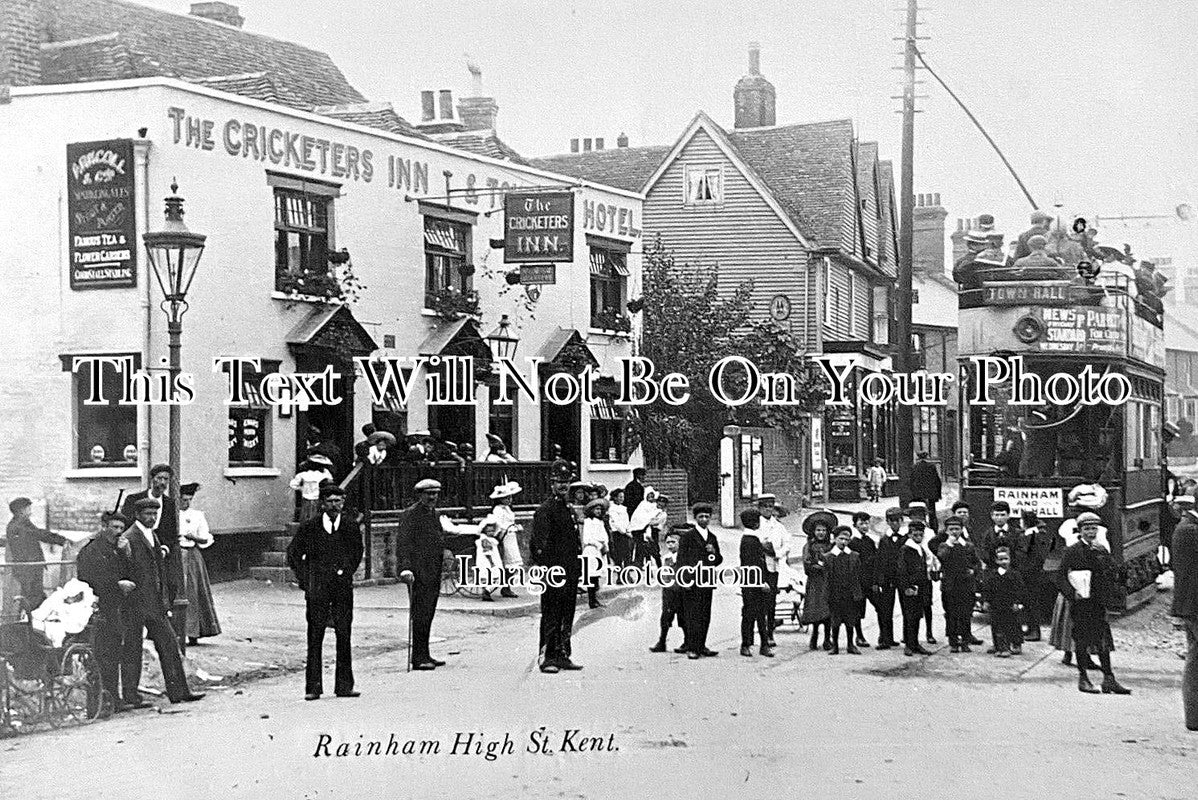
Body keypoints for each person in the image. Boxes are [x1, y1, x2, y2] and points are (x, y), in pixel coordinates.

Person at [122, 497, 204, 705]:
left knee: (169, 644)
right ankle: (131, 696)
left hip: (155, 604)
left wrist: (165, 599)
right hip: (135, 603)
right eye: (147, 514)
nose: (152, 518)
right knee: (132, 649)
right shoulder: (130, 537)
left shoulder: (152, 536)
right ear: (138, 515)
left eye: (154, 514)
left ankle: (179, 692)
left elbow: (159, 571)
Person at [286, 484, 362, 700]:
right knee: (315, 636)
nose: (334, 505)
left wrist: (346, 572)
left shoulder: (350, 526)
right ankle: (313, 687)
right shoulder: (310, 527)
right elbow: (293, 553)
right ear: (322, 503)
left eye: (338, 501)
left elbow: (357, 553)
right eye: (329, 501)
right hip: (317, 588)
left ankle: (344, 686)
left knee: (344, 634)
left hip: (342, 589)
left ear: (343, 502)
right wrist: (305, 580)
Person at [1057, 512, 1131, 694]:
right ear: (1080, 531)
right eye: (1087, 529)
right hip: (1081, 603)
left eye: (1093, 528)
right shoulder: (1073, 551)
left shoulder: (1101, 549)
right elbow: (1060, 577)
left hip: (1098, 601)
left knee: (1103, 639)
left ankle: (1109, 678)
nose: (1091, 532)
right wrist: (1072, 593)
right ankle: (1083, 678)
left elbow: (1112, 571)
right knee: (1081, 641)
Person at [75, 510, 136, 714]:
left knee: (114, 653)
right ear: (103, 527)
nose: (118, 532)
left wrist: (126, 554)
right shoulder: (92, 550)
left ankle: (113, 699)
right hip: (100, 609)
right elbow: (87, 579)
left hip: (116, 607)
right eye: (114, 527)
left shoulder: (116, 548)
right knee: (102, 657)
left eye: (121, 528)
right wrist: (116, 584)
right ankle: (98, 705)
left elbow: (128, 571)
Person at [531, 468, 583, 674]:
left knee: (567, 613)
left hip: (570, 571)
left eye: (566, 482)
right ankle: (547, 657)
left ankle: (562, 655)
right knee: (552, 614)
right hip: (554, 572)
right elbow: (538, 546)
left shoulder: (568, 508)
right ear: (551, 483)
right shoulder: (546, 510)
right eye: (559, 482)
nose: (563, 486)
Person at [395, 479, 447, 672]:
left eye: (435, 494)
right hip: (417, 572)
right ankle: (418, 657)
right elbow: (403, 543)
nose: (432, 497)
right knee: (420, 613)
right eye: (428, 494)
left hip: (433, 570)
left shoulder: (435, 514)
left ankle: (425, 653)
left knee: (429, 613)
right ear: (420, 495)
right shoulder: (410, 514)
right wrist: (405, 568)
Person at [176, 483, 220, 645]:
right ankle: (175, 632)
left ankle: (194, 633)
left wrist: (192, 537)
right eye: (183, 499)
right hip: (176, 554)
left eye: (189, 500)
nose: (186, 503)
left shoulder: (197, 515)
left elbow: (206, 538)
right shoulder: (171, 514)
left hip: (192, 555)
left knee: (194, 592)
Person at [4, 497, 68, 609]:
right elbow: (39, 534)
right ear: (21, 511)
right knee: (31, 597)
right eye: (28, 508)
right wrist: (62, 540)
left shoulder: (23, 523)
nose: (31, 511)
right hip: (27, 570)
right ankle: (29, 622)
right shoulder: (17, 526)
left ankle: (33, 618)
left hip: (32, 568)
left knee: (35, 596)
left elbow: (38, 533)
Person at [678, 503, 722, 660]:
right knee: (692, 615)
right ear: (695, 518)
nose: (704, 519)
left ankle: (702, 645)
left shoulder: (712, 537)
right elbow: (681, 560)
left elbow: (718, 560)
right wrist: (685, 580)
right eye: (701, 516)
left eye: (707, 516)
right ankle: (692, 647)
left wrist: (713, 552)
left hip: (707, 581)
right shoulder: (688, 537)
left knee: (705, 614)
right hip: (692, 581)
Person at [1170, 491, 1198, 730]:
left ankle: (1194, 717)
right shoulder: (1189, 530)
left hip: (1191, 606)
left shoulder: (1188, 526)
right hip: (1194, 606)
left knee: (1195, 658)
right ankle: (1193, 717)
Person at [937, 515, 981, 652]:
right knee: (951, 613)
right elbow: (941, 557)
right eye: (951, 529)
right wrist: (949, 544)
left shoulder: (968, 546)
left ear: (962, 530)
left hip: (966, 585)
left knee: (965, 613)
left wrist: (973, 571)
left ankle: (965, 641)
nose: (954, 532)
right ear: (946, 531)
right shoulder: (944, 546)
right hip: (950, 586)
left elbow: (976, 563)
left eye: (957, 529)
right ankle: (953, 641)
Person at [738, 509, 773, 658]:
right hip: (753, 583)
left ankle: (753, 644)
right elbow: (753, 565)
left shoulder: (750, 539)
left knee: (753, 614)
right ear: (755, 523)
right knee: (754, 614)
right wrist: (761, 582)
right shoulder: (750, 541)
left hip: (749, 582)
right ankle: (752, 644)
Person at [981, 546, 1027, 657]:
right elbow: (987, 589)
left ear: (1010, 559)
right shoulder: (992, 575)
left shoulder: (1014, 575)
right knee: (997, 625)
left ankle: (1014, 644)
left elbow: (1020, 590)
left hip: (1010, 605)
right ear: (996, 561)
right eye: (1001, 559)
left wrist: (1018, 602)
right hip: (996, 605)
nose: (1004, 561)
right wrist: (986, 601)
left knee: (1012, 624)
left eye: (1006, 559)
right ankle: (998, 646)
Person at [896, 520, 934, 656]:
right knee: (909, 615)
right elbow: (902, 570)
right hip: (910, 588)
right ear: (910, 535)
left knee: (917, 615)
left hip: (920, 587)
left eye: (921, 535)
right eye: (915, 535)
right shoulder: (905, 549)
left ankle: (915, 643)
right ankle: (909, 644)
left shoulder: (920, 549)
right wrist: (907, 586)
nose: (918, 537)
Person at [824, 526, 863, 655]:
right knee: (835, 621)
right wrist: (826, 595)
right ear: (834, 539)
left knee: (850, 620)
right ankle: (835, 645)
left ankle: (850, 644)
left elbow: (858, 576)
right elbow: (826, 578)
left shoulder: (854, 556)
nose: (843, 542)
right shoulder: (828, 557)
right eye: (840, 539)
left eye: (846, 539)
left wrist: (857, 593)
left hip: (849, 593)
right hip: (835, 593)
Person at [800, 510, 836, 650]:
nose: (821, 533)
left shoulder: (831, 547)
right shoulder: (809, 546)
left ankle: (827, 638)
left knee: (828, 610)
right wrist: (817, 567)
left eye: (823, 530)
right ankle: (814, 636)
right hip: (815, 582)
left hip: (828, 582)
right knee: (816, 608)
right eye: (818, 530)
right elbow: (807, 563)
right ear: (813, 532)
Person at [1016, 509, 1053, 642]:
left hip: (1031, 575)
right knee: (1028, 603)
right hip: (1029, 574)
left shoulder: (1034, 536)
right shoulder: (1031, 534)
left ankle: (1035, 631)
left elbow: (1035, 557)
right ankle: (1031, 628)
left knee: (1032, 603)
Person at [757, 494, 788, 646]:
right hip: (760, 567)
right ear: (760, 508)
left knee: (771, 602)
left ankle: (770, 633)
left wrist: (777, 553)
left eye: (770, 506)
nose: (768, 510)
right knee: (759, 602)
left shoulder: (779, 526)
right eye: (765, 507)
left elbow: (787, 545)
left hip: (774, 566)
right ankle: (760, 634)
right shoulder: (756, 525)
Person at [874, 507, 907, 649]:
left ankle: (909, 638)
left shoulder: (906, 539)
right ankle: (886, 639)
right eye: (891, 521)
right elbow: (879, 561)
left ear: (902, 521)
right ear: (887, 522)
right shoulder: (884, 540)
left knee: (907, 609)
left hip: (903, 578)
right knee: (886, 609)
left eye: (897, 521)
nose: (894, 524)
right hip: (888, 579)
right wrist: (878, 580)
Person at [650, 528, 686, 653]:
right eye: (668, 542)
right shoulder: (666, 558)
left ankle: (687, 641)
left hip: (681, 592)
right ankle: (662, 641)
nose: (670, 545)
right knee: (666, 617)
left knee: (683, 618)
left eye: (673, 542)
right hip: (669, 592)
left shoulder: (684, 558)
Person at [489, 481, 523, 598]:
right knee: (508, 562)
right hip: (504, 536)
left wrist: (515, 526)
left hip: (511, 537)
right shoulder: (498, 510)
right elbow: (498, 524)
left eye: (510, 497)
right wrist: (503, 530)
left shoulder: (507, 509)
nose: (509, 500)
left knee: (513, 563)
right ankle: (505, 587)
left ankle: (507, 587)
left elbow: (510, 521)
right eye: (506, 498)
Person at [848, 511, 876, 649]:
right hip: (858, 580)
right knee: (857, 608)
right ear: (855, 525)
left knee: (880, 605)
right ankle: (859, 636)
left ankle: (885, 636)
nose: (865, 526)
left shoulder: (870, 541)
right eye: (861, 523)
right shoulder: (852, 542)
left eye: (866, 523)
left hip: (870, 579)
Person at [581, 499, 610, 609]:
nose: (598, 511)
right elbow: (587, 538)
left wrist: (605, 545)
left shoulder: (600, 522)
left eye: (600, 509)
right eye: (596, 509)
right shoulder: (588, 521)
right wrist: (599, 544)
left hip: (599, 551)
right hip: (591, 550)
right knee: (592, 576)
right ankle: (591, 600)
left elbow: (604, 536)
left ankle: (595, 599)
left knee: (596, 576)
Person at [630, 491, 668, 568]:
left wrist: (649, 521)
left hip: (654, 532)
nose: (660, 504)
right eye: (659, 502)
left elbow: (654, 522)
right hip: (645, 531)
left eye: (662, 503)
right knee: (646, 552)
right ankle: (648, 570)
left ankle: (660, 567)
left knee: (655, 552)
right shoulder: (651, 509)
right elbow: (644, 516)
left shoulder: (663, 514)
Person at [291, 455, 335, 522]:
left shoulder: (325, 473)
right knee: (307, 515)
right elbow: (293, 484)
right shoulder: (305, 474)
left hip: (319, 498)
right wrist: (302, 489)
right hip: (307, 498)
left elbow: (330, 482)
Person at [473, 516, 505, 602]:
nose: (491, 533)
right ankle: (487, 591)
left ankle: (487, 591)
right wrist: (492, 562)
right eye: (489, 531)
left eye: (492, 531)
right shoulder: (485, 540)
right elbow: (487, 553)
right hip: (488, 561)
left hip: (491, 560)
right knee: (497, 576)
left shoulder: (491, 540)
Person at [909, 453, 943, 526]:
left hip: (918, 494)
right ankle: (934, 527)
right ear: (927, 457)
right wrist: (938, 494)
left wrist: (913, 493)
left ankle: (921, 525)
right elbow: (937, 480)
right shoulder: (931, 466)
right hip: (931, 494)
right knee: (932, 512)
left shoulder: (914, 467)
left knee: (920, 511)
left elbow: (911, 481)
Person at [607, 487, 633, 570]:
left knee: (627, 555)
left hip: (626, 533)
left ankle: (626, 573)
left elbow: (626, 521)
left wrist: (629, 530)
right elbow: (616, 523)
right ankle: (620, 574)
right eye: (620, 497)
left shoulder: (623, 508)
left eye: (623, 497)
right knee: (619, 555)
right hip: (618, 534)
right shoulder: (612, 509)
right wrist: (624, 532)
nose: (622, 499)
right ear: (615, 497)